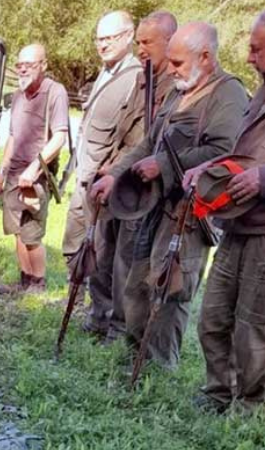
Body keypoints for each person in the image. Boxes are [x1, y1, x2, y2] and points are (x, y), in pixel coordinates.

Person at [91, 22, 248, 370]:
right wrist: (115, 176)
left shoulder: (228, 94)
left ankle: (158, 371)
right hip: (152, 206)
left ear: (206, 57)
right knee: (137, 285)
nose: (172, 69)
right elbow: (149, 142)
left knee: (169, 291)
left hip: (189, 214)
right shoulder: (180, 89)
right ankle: (133, 360)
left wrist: (163, 166)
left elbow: (227, 151)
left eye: (178, 63)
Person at [186, 11, 265, 413]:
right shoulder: (262, 93)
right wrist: (209, 169)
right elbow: (243, 152)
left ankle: (248, 409)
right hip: (237, 223)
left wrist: (263, 178)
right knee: (213, 317)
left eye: (257, 49)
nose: (249, 58)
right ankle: (217, 394)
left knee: (254, 329)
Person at [93, 10, 179, 345]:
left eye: (147, 42)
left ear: (169, 41)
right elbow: (136, 133)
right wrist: (113, 169)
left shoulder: (177, 83)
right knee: (110, 256)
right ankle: (109, 323)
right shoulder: (147, 78)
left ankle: (121, 331)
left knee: (130, 262)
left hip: (147, 188)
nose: (141, 49)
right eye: (139, 42)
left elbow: (157, 140)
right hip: (126, 176)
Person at [61, 11, 143, 337]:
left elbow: (134, 137)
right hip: (85, 177)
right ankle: (92, 314)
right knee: (80, 248)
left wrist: (112, 170)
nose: (102, 44)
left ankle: (106, 323)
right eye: (99, 38)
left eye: (110, 38)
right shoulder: (107, 72)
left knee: (104, 255)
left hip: (106, 183)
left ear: (128, 36)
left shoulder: (135, 76)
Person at [0, 44, 69, 293]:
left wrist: (35, 168)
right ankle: (24, 280)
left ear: (44, 65)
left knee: (31, 234)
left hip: (37, 177)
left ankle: (39, 283)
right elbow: (13, 137)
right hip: (14, 174)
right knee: (16, 231)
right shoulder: (17, 96)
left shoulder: (55, 92)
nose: (23, 69)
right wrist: (2, 171)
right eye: (20, 65)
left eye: (30, 64)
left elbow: (59, 138)